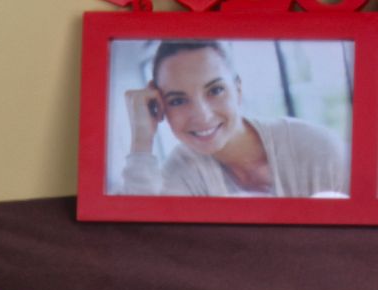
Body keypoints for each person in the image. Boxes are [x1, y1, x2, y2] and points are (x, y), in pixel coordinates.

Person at [121, 39, 348, 197]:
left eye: (215, 90)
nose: (202, 115)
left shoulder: (318, 149)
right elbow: (141, 241)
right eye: (177, 100)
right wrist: (141, 139)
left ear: (238, 89)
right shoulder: (181, 172)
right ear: (160, 108)